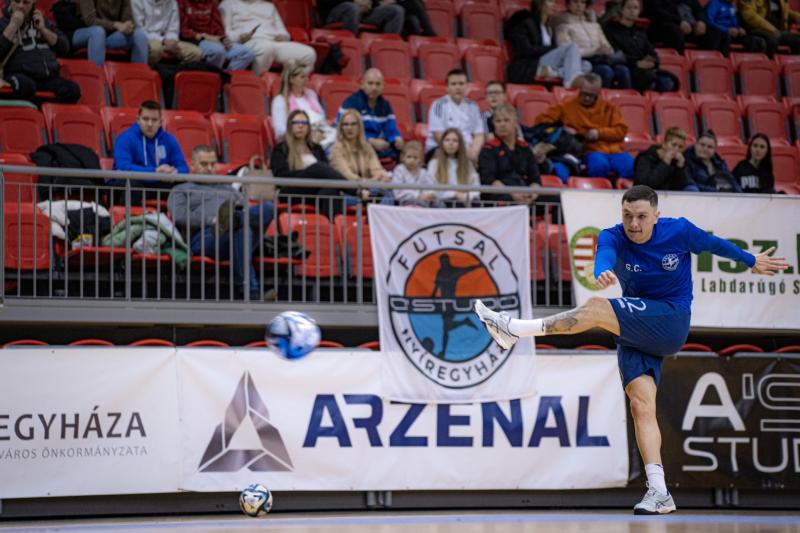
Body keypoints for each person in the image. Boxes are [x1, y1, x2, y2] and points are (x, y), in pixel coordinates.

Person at [474, 184, 788, 515]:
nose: (634, 224)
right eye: (627, 216)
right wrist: (601, 272)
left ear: (656, 216)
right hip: (637, 329)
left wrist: (750, 260)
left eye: (641, 217)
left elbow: (714, 245)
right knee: (641, 406)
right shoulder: (613, 235)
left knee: (596, 308)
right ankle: (659, 491)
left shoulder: (678, 230)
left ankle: (512, 330)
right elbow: (603, 257)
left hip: (670, 318)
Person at [167, 145, 275, 300]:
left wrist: (235, 219)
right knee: (242, 229)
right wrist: (213, 220)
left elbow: (249, 213)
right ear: (192, 164)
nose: (210, 168)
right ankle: (252, 293)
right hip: (205, 236)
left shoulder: (229, 189)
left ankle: (234, 221)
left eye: (212, 164)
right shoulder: (181, 189)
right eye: (204, 164)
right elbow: (180, 216)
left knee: (268, 209)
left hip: (237, 234)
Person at [536, 73, 634, 179]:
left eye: (591, 95)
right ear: (579, 89)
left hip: (616, 151)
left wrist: (599, 133)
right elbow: (541, 121)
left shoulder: (609, 108)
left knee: (630, 166)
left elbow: (621, 131)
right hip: (591, 150)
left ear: (598, 93)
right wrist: (562, 128)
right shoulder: (566, 106)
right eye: (584, 94)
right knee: (599, 166)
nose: (587, 98)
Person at [0, 0, 81, 103]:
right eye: (17, 1)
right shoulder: (3, 24)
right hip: (21, 75)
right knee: (26, 86)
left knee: (73, 90)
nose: (20, 6)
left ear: (33, 3)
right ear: (11, 2)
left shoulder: (42, 21)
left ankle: (45, 113)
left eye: (26, 2)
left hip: (47, 77)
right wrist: (12, 26)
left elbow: (64, 47)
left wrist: (43, 30)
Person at [269, 110, 349, 209]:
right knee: (318, 168)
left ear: (308, 127)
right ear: (290, 126)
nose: (300, 126)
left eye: (304, 123)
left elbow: (327, 172)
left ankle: (331, 223)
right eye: (296, 123)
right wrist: (310, 173)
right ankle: (353, 189)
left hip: (315, 191)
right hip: (291, 191)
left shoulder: (316, 148)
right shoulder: (281, 149)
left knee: (330, 191)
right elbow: (280, 176)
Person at [505, 0, 591, 87]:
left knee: (586, 65)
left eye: (555, 2)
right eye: (550, 1)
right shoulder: (526, 23)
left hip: (546, 63)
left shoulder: (548, 27)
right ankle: (570, 82)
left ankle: (552, 72)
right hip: (531, 63)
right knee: (571, 47)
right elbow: (525, 50)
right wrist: (552, 48)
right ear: (540, 4)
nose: (554, 5)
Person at [113, 100, 189, 197]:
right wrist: (155, 172)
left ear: (160, 122)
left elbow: (184, 168)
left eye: (154, 120)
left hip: (159, 185)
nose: (149, 124)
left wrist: (173, 172)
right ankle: (134, 213)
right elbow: (123, 167)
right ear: (138, 120)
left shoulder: (169, 140)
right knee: (131, 184)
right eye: (145, 119)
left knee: (183, 186)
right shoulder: (125, 138)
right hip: (134, 185)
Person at [219, 0, 315, 75]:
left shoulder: (269, 6)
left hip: (274, 42)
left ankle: (287, 87)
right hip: (248, 42)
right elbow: (225, 33)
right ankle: (257, 83)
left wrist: (283, 37)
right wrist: (239, 37)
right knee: (266, 47)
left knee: (309, 54)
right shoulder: (228, 3)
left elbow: (283, 32)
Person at [604, 0, 678, 93]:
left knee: (668, 82)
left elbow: (651, 52)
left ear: (639, 12)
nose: (632, 11)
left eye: (635, 8)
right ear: (622, 10)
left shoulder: (640, 32)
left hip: (646, 69)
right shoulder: (611, 30)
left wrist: (653, 61)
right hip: (628, 67)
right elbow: (616, 54)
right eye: (629, 8)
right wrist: (637, 63)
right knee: (651, 83)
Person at [554, 0, 632, 88]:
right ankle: (600, 99)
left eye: (582, 2)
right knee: (606, 71)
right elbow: (566, 52)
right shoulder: (562, 25)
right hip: (582, 63)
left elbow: (608, 47)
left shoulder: (595, 25)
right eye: (575, 2)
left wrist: (606, 50)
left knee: (623, 70)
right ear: (568, 4)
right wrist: (594, 51)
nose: (579, 5)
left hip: (600, 59)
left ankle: (624, 100)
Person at [336, 68, 404, 160]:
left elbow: (391, 128)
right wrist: (370, 141)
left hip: (378, 144)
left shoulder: (385, 105)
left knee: (406, 152)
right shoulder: (352, 102)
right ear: (362, 84)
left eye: (378, 84)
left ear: (383, 86)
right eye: (370, 83)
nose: (374, 88)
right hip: (357, 144)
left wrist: (396, 139)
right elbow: (344, 129)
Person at [478, 103, 541, 203]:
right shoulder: (488, 149)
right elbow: (489, 181)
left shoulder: (525, 149)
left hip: (525, 194)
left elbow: (535, 180)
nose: (502, 124)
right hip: (500, 196)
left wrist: (532, 194)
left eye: (506, 120)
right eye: (498, 121)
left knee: (559, 200)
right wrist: (513, 194)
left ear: (516, 123)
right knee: (507, 200)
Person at [329, 109, 393, 202]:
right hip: (348, 192)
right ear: (341, 128)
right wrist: (369, 181)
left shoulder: (366, 147)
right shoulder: (336, 149)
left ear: (359, 127)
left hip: (368, 189)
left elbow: (376, 169)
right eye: (345, 124)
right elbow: (346, 175)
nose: (349, 128)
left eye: (353, 124)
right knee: (377, 193)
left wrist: (383, 176)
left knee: (387, 192)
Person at [271, 60, 335, 149]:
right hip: (297, 143)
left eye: (307, 77)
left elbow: (322, 118)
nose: (307, 80)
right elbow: (280, 131)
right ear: (291, 79)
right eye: (302, 77)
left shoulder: (311, 94)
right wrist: (307, 136)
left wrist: (319, 133)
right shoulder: (280, 100)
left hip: (320, 136)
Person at [425, 69, 485, 164]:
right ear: (447, 88)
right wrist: (461, 152)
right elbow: (438, 135)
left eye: (461, 84)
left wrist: (474, 152)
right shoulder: (438, 105)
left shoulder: (474, 106)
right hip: (443, 147)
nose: (458, 87)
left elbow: (479, 135)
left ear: (467, 86)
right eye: (453, 84)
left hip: (468, 150)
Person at [178, 0, 255, 70]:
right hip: (196, 40)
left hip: (215, 40)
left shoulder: (211, 3)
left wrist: (223, 39)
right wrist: (207, 37)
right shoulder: (182, 2)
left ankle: (225, 77)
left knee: (247, 53)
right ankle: (212, 79)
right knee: (218, 51)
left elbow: (218, 26)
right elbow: (183, 31)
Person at [75, 0, 149, 67]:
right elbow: (90, 21)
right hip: (84, 32)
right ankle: (98, 78)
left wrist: (128, 26)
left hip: (110, 35)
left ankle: (139, 78)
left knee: (139, 35)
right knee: (98, 32)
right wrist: (116, 25)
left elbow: (127, 20)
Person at [132, 0, 202, 65]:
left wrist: (172, 41)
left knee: (195, 53)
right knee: (156, 49)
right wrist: (163, 40)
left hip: (168, 40)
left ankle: (172, 74)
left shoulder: (172, 2)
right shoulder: (137, 1)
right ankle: (150, 74)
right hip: (148, 39)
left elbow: (173, 29)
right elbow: (139, 31)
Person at [426, 127, 480, 206]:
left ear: (460, 144)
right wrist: (454, 194)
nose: (451, 143)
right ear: (442, 143)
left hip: (464, 203)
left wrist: (466, 196)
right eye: (447, 140)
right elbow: (430, 188)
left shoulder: (467, 164)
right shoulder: (434, 163)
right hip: (442, 203)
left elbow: (476, 187)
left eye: (455, 140)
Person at [633, 127, 698, 191]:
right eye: (673, 145)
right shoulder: (646, 158)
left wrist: (680, 168)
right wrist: (665, 163)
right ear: (664, 144)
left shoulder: (676, 162)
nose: (676, 149)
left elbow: (679, 189)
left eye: (680, 147)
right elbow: (648, 185)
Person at [643, 0, 719, 55]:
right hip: (663, 27)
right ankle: (679, 62)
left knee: (712, 32)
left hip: (690, 28)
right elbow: (655, 12)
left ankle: (706, 63)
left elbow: (699, 10)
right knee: (674, 31)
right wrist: (679, 22)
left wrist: (701, 21)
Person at [317, 0, 404, 36]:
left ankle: (388, 46)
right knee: (352, 8)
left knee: (396, 10)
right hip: (335, 11)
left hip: (363, 12)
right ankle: (353, 44)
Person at [392, 141, 439, 206]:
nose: (412, 160)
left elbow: (430, 185)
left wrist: (429, 194)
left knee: (438, 204)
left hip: (424, 199)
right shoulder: (399, 170)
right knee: (420, 203)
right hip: (405, 201)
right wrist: (418, 196)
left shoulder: (423, 172)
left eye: (415, 158)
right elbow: (398, 193)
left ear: (421, 159)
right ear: (403, 158)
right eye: (409, 157)